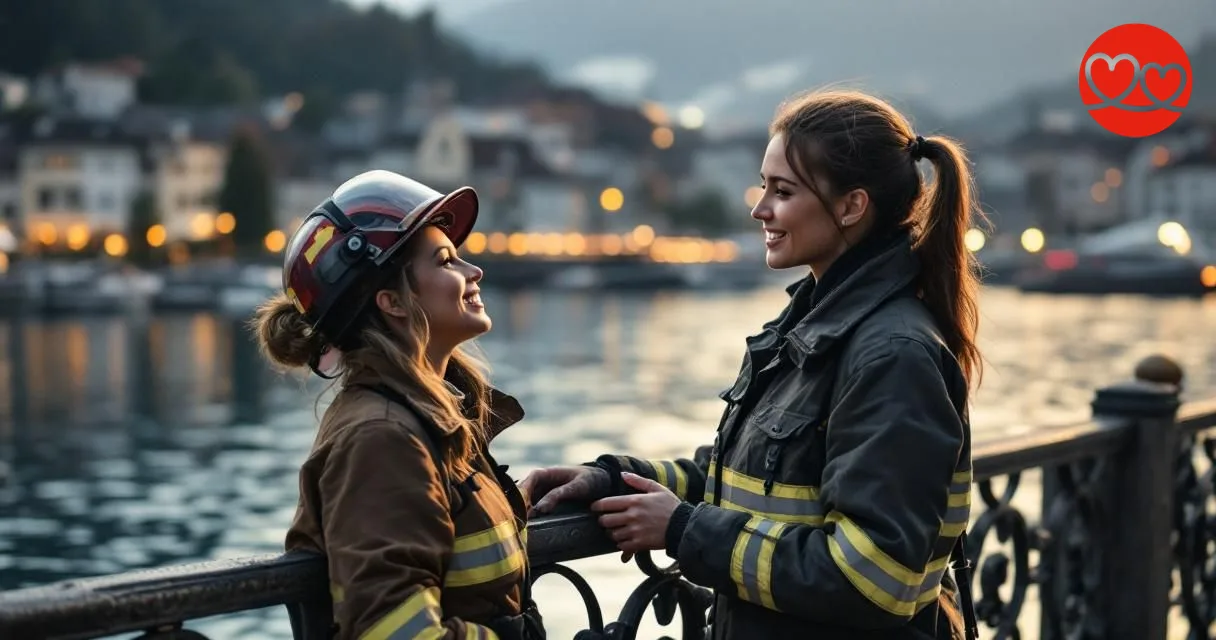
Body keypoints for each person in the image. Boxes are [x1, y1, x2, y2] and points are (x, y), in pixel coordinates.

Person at [522, 89, 981, 640]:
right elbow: (747, 480)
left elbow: (875, 579)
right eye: (764, 186)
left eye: (782, 191)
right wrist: (612, 479)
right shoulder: (819, 320)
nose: (759, 208)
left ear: (851, 206)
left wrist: (684, 530)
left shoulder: (891, 353)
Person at [253, 170, 544, 640]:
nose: (475, 272)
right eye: (446, 260)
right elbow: (390, 630)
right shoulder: (382, 438)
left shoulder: (427, 418)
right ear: (392, 301)